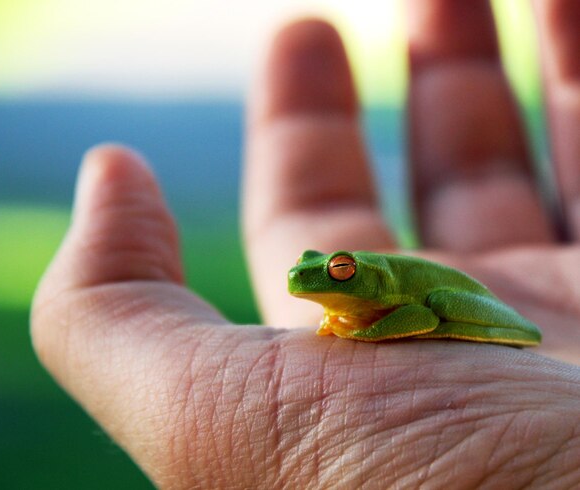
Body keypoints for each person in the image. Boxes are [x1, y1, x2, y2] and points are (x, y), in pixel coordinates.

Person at [32, 2, 580, 488]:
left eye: (338, 271)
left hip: (438, 303)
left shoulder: (384, 298)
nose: (311, 277)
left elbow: (417, 314)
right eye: (313, 267)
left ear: (358, 276)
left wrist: (366, 327)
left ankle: (494, 324)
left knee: (437, 304)